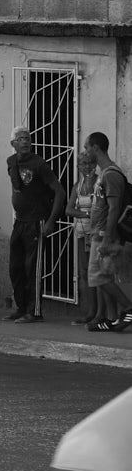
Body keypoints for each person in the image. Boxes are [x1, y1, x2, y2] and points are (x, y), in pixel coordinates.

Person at [5, 125, 66, 323]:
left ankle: (34, 311)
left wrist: (50, 221)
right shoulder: (11, 162)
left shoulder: (38, 164)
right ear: (13, 143)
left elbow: (59, 191)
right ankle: (21, 307)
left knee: (33, 268)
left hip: (36, 221)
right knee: (16, 266)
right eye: (21, 138)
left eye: (27, 138)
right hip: (20, 221)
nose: (25, 141)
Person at [82, 131, 132, 332]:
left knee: (97, 277)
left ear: (95, 148)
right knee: (103, 276)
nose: (86, 152)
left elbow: (113, 208)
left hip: (104, 235)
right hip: (99, 233)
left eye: (87, 148)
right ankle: (111, 319)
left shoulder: (111, 175)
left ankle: (128, 308)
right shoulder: (105, 173)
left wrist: (106, 239)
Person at [67, 152, 99, 325]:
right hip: (81, 236)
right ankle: (90, 312)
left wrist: (82, 213)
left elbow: (101, 210)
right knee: (84, 274)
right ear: (78, 166)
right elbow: (69, 210)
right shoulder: (77, 186)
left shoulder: (99, 184)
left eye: (90, 163)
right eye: (83, 163)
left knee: (95, 274)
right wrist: (87, 213)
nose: (87, 166)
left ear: (95, 165)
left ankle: (97, 313)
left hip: (95, 236)